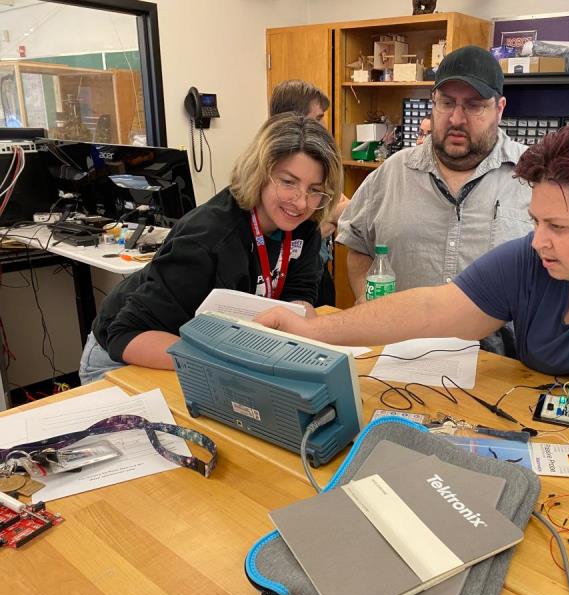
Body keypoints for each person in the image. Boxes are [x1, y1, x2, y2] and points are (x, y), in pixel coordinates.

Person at [256, 121, 569, 430]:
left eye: (558, 227)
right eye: (535, 221)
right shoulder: (539, 257)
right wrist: (314, 329)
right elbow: (435, 308)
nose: (538, 240)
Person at [78, 113, 343, 384]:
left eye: (315, 190)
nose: (301, 202)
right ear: (261, 173)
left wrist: (301, 319)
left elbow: (299, 295)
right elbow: (125, 335)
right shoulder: (208, 237)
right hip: (126, 357)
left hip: (206, 354)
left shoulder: (303, 228)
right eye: (288, 182)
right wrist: (222, 361)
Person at [336, 45, 531, 301]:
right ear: (433, 102)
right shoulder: (393, 173)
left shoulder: (534, 176)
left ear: (500, 109)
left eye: (474, 105)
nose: (456, 119)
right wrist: (367, 303)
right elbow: (358, 243)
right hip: (402, 328)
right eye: (447, 103)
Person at [270, 79, 350, 307]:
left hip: (315, 271)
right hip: (281, 278)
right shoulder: (271, 163)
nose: (324, 128)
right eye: (318, 119)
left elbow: (344, 209)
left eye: (314, 190)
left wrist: (329, 217)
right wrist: (327, 218)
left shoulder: (319, 162)